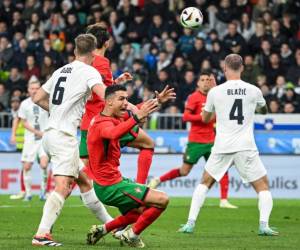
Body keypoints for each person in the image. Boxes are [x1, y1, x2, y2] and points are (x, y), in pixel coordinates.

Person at [180, 54, 278, 236]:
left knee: (205, 182)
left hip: (222, 145)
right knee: (263, 185)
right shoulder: (253, 90)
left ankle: (190, 223)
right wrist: (256, 107)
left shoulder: (215, 92)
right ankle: (264, 226)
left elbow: (205, 118)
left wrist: (212, 110)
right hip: (245, 146)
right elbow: (264, 110)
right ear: (242, 68)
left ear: (225, 69)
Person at [31, 34, 112, 246]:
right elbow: (106, 96)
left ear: (75, 51)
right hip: (63, 136)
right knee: (63, 186)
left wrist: (57, 111)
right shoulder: (90, 71)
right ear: (94, 53)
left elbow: (37, 97)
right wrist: (126, 103)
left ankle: (113, 226)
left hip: (50, 134)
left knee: (84, 181)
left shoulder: (60, 70)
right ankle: (41, 234)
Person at [80, 23, 174, 186]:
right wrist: (131, 107)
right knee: (148, 144)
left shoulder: (83, 63)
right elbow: (106, 96)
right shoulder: (101, 62)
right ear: (107, 43)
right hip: (106, 122)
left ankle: (56, 199)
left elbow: (95, 91)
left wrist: (116, 81)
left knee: (82, 174)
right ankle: (140, 187)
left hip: (87, 124)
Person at [86, 85, 169, 248]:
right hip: (110, 187)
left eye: (126, 99)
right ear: (109, 102)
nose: (126, 103)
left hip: (110, 182)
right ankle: (132, 235)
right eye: (121, 99)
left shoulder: (111, 118)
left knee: (139, 212)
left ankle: (102, 229)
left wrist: (157, 101)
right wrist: (137, 118)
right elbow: (112, 133)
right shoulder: (103, 125)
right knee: (162, 200)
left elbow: (136, 110)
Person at [149, 71, 237, 215]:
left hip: (212, 141)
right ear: (198, 83)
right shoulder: (194, 97)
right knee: (184, 171)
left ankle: (224, 200)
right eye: (203, 79)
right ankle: (158, 180)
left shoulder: (215, 97)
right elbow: (185, 117)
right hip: (196, 141)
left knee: (221, 169)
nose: (206, 82)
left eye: (208, 79)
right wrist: (202, 117)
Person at [11, 78, 50, 201]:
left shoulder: (46, 101)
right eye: (32, 89)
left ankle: (43, 193)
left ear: (40, 89)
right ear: (28, 90)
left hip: (44, 140)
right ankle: (28, 193)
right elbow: (23, 122)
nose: (34, 91)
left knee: (44, 164)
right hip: (30, 140)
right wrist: (14, 134)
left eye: (37, 88)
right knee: (27, 166)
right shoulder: (25, 104)